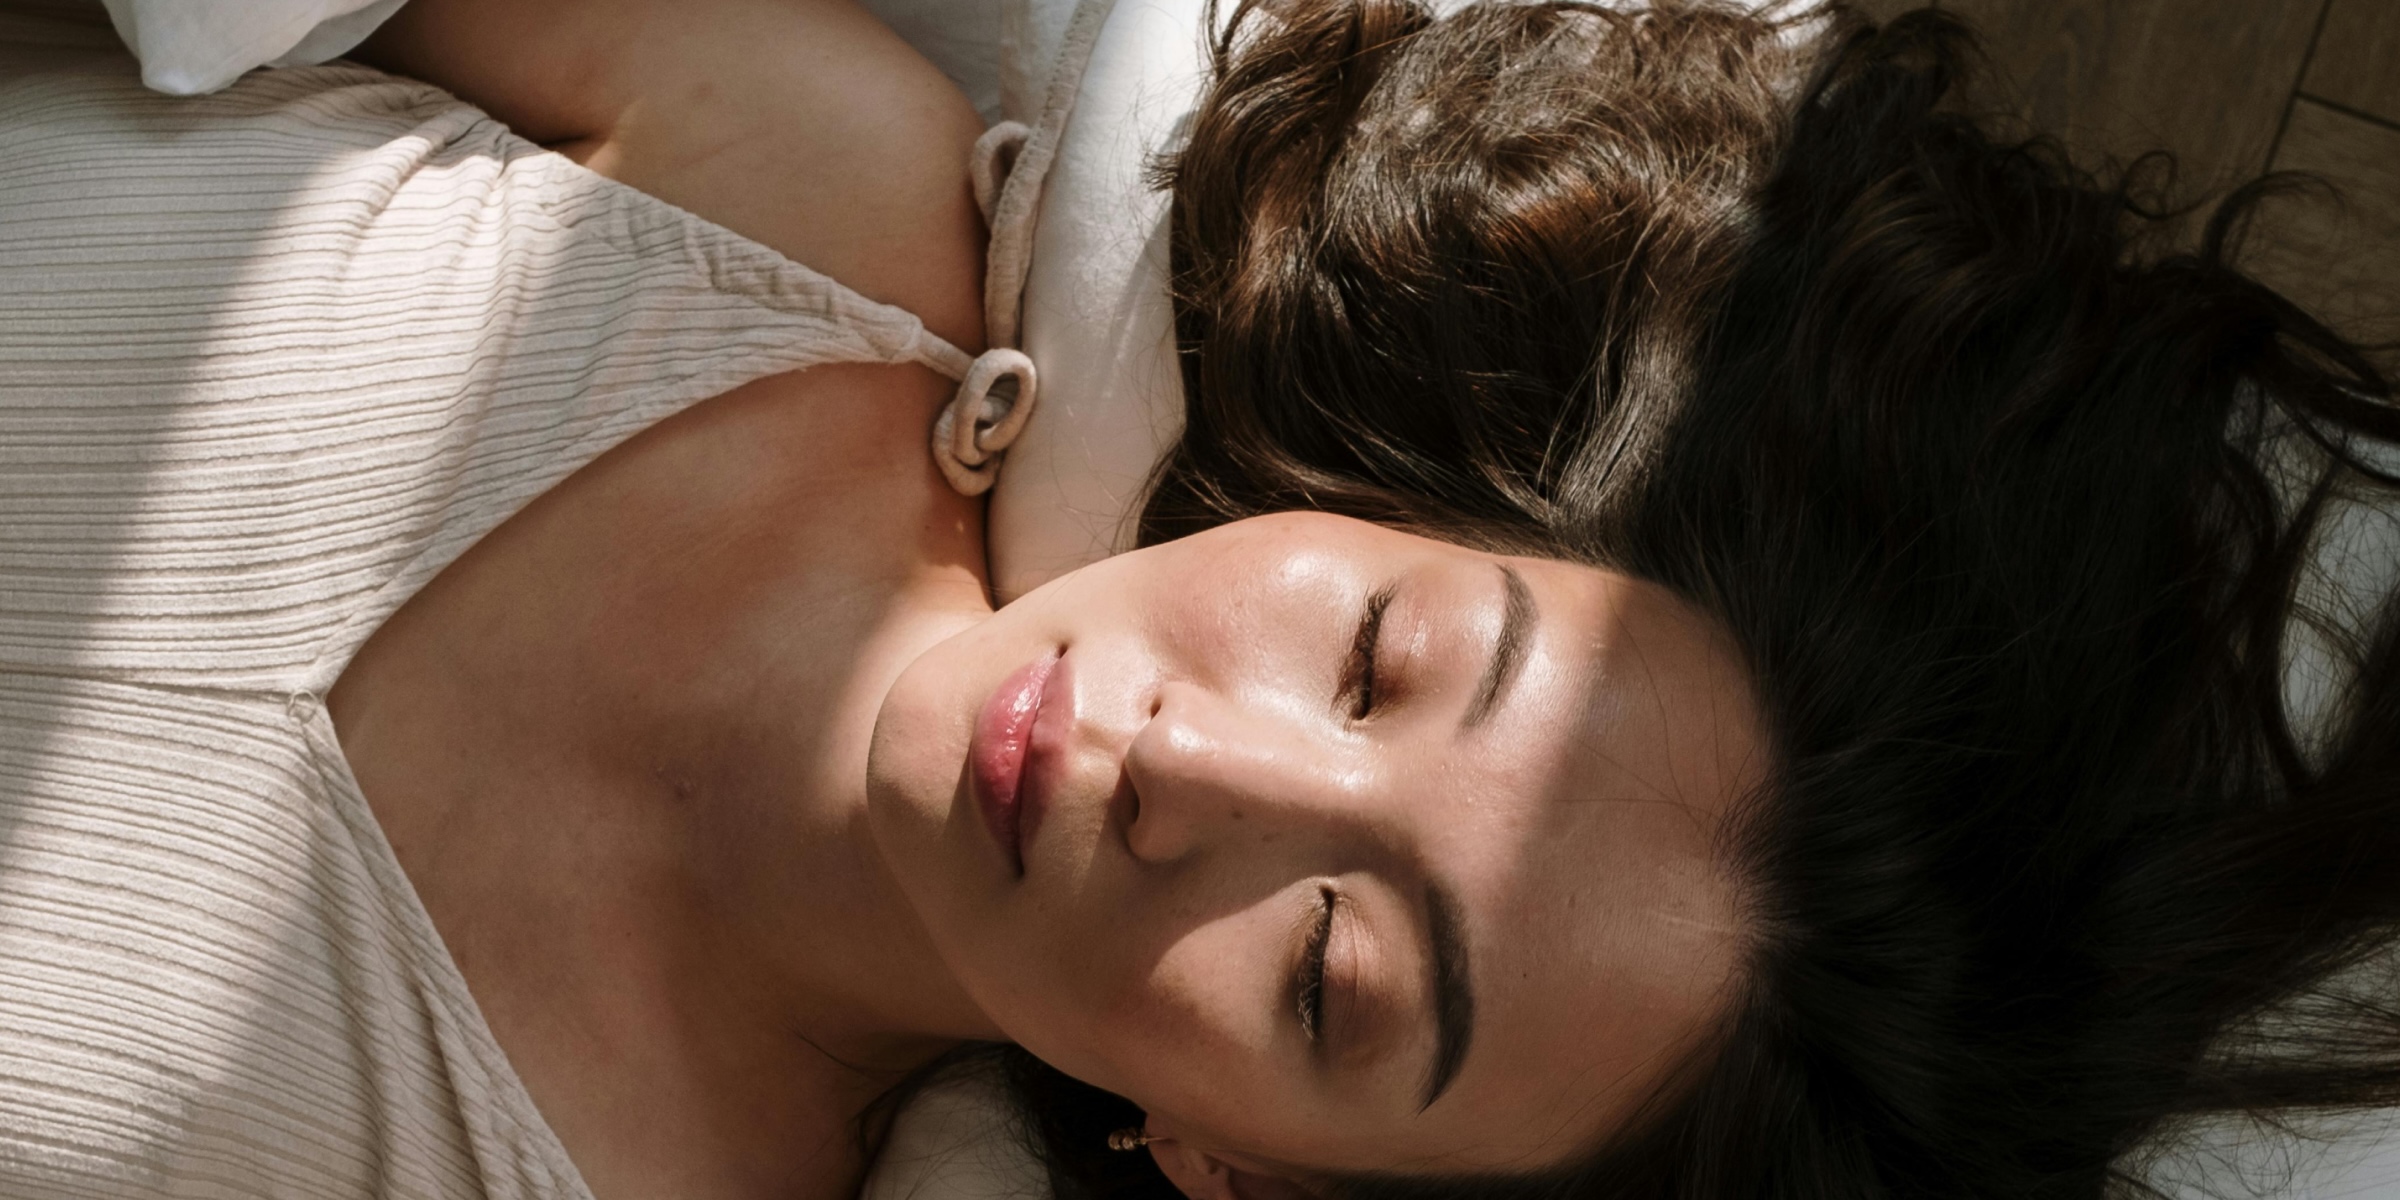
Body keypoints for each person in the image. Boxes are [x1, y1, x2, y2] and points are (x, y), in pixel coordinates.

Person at [0, 8, 2392, 1200]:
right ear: (1377, 504)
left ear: (1247, 1177)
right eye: (1377, 654)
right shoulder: (806, 200)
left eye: (1339, 975)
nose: (1200, 766)